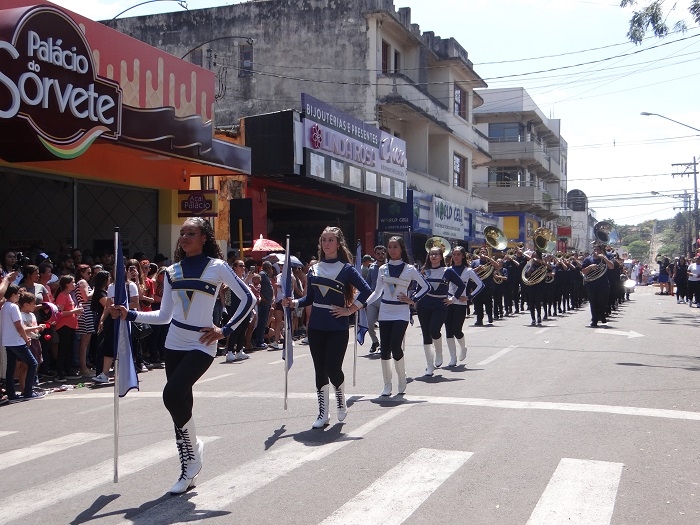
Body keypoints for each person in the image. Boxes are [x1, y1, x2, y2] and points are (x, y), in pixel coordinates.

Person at [118, 217, 254, 494]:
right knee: (181, 401)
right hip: (174, 343)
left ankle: (191, 456)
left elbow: (249, 297)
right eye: (182, 233)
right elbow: (164, 315)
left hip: (202, 343)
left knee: (171, 394)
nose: (185, 237)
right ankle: (191, 460)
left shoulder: (217, 267)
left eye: (191, 232)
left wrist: (225, 330)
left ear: (204, 237)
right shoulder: (171, 271)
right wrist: (130, 314)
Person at [282, 226, 372, 428]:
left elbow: (367, 291)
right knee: (319, 369)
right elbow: (311, 298)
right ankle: (323, 413)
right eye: (323, 240)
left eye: (330, 240)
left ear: (338, 244)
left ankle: (340, 398)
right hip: (316, 326)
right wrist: (294, 303)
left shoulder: (346, 269)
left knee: (333, 367)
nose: (326, 243)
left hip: (337, 326)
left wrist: (350, 310)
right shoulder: (314, 268)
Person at [362, 236, 429, 396]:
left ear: (401, 249)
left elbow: (425, 286)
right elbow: (377, 292)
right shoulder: (382, 269)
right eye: (389, 247)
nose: (392, 250)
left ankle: (401, 378)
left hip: (401, 312)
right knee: (384, 350)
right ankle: (387, 384)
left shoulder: (410, 269)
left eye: (395, 247)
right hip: (385, 311)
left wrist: (412, 300)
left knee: (395, 346)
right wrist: (363, 304)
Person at [417, 244, 466, 376]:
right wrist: (414, 300)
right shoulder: (424, 270)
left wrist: (453, 299)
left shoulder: (448, 271)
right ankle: (429, 365)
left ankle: (439, 352)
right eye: (431, 254)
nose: (433, 256)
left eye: (436, 254)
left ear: (441, 257)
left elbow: (461, 285)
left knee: (434, 330)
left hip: (440, 305)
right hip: (424, 305)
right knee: (426, 335)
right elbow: (418, 287)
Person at [1, 285, 45, 400]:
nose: (18, 297)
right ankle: (28, 392)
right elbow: (19, 326)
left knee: (10, 368)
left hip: (7, 340)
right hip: (17, 341)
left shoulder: (4, 306)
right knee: (33, 363)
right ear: (12, 295)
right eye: (17, 294)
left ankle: (11, 394)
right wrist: (26, 338)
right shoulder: (13, 307)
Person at [445, 246, 484, 366]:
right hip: (448, 301)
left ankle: (463, 348)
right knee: (448, 331)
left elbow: (480, 285)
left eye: (458, 254)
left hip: (461, 303)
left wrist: (469, 297)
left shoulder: (468, 271)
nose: (456, 257)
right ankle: (453, 357)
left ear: (463, 256)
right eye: (454, 254)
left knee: (457, 330)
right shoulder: (448, 269)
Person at [54, 275, 84, 382]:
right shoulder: (62, 295)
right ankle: (59, 373)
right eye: (73, 282)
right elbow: (59, 312)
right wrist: (74, 312)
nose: (74, 284)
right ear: (67, 284)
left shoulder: (69, 295)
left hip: (71, 325)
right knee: (63, 350)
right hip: (64, 326)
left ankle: (67, 370)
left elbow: (70, 309)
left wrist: (76, 311)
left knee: (69, 350)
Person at [581, 245, 614, 327]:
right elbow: (583, 271)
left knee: (602, 301)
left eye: (597, 250)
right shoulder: (588, 259)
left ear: (601, 251)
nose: (596, 251)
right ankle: (594, 320)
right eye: (594, 249)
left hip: (603, 284)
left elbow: (611, 266)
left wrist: (604, 258)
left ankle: (602, 315)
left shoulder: (604, 259)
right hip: (591, 284)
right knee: (593, 302)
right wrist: (590, 267)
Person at [365, 245, 387, 353]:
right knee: (369, 323)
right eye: (378, 253)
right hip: (373, 299)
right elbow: (367, 283)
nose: (380, 255)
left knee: (383, 324)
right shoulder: (372, 268)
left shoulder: (389, 267)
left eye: (382, 253)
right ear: (374, 255)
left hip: (385, 299)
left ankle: (383, 344)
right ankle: (375, 341)